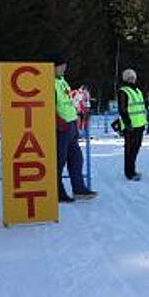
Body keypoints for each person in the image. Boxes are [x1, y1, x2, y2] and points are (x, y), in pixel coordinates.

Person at [53, 56, 97, 202]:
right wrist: (59, 121)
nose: (64, 68)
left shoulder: (62, 81)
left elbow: (67, 101)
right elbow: (48, 105)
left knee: (77, 159)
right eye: (61, 66)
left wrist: (77, 102)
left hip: (71, 124)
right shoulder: (49, 82)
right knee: (59, 161)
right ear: (53, 67)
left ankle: (79, 189)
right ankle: (58, 192)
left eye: (64, 65)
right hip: (61, 126)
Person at [118, 69, 147, 181]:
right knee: (130, 150)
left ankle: (132, 169)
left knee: (136, 149)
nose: (132, 79)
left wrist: (144, 122)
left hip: (139, 124)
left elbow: (141, 108)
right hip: (130, 127)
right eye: (129, 77)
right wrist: (128, 124)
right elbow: (122, 109)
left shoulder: (138, 91)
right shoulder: (123, 91)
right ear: (125, 79)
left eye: (133, 77)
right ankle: (129, 172)